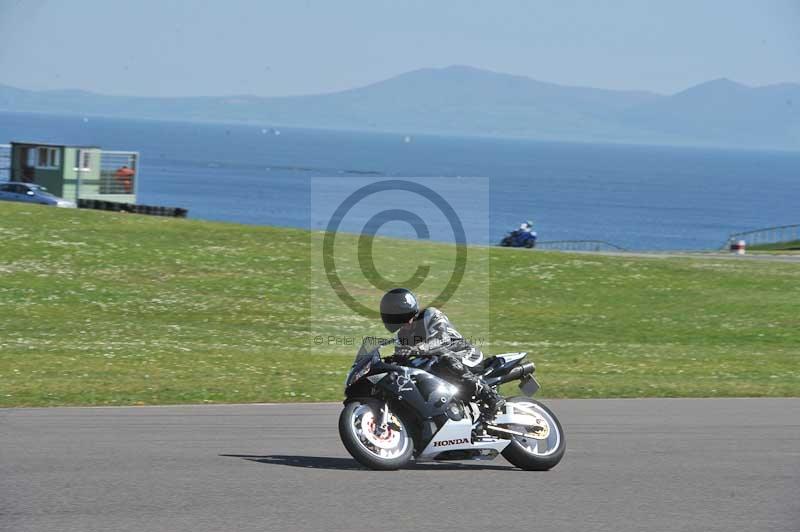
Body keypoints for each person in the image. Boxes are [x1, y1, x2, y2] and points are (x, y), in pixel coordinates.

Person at [379, 288, 505, 421]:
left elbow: (442, 339)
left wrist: (418, 348)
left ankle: (490, 395)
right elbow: (403, 360)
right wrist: (388, 362)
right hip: (439, 364)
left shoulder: (429, 314)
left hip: (465, 354)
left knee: (445, 358)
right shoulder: (402, 335)